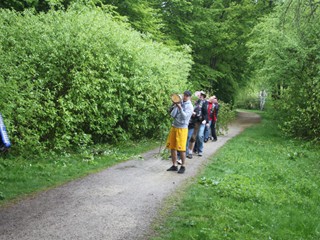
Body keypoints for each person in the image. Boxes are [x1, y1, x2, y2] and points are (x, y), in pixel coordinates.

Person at [166, 90, 193, 174]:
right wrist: (175, 106)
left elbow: (185, 117)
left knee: (181, 149)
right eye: (184, 95)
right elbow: (172, 115)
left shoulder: (190, 106)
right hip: (174, 126)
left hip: (182, 128)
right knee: (172, 147)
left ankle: (183, 166)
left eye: (187, 96)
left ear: (189, 97)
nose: (185, 97)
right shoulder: (180, 102)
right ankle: (174, 165)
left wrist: (180, 108)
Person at [187, 91, 208, 158]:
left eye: (202, 95)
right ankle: (188, 150)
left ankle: (198, 150)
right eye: (200, 95)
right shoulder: (193, 102)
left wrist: (205, 120)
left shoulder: (204, 103)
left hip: (198, 121)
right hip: (190, 121)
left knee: (198, 136)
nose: (200, 96)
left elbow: (205, 113)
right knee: (188, 136)